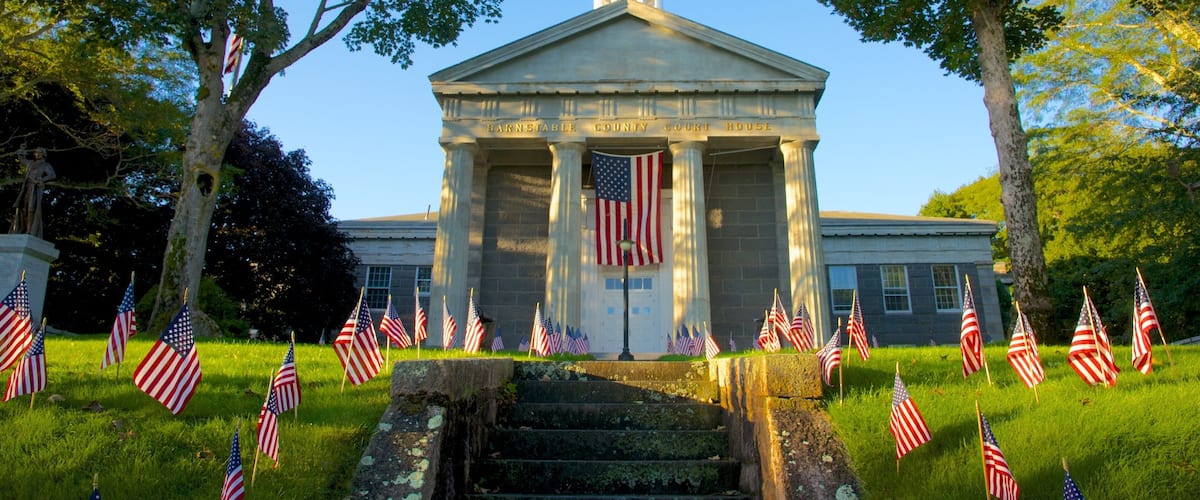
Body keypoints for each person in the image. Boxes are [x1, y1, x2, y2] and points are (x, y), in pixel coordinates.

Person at [11, 147, 56, 238]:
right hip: (26, 187)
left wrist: (41, 180)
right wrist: (21, 151)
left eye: (39, 153)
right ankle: (20, 229)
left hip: (35, 188)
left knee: (31, 208)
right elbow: (22, 160)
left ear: (43, 154)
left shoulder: (45, 165)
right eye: (36, 152)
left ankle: (29, 230)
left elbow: (52, 175)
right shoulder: (31, 163)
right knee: (23, 208)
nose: (37, 154)